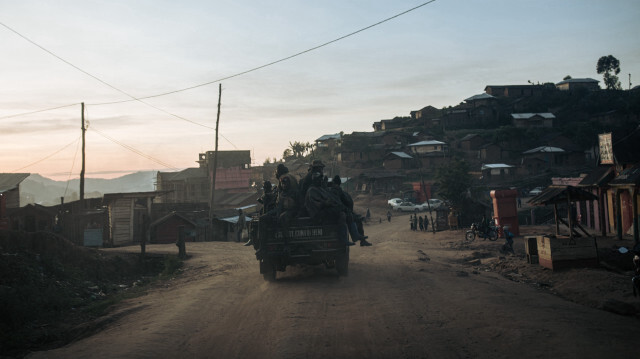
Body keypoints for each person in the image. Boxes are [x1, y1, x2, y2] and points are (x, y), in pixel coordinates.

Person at [304, 171, 353, 246]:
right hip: (317, 214)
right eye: (319, 179)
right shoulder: (312, 190)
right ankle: (343, 239)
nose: (321, 181)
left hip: (322, 211)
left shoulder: (319, 188)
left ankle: (350, 234)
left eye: (321, 179)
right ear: (315, 180)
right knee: (341, 214)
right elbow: (317, 204)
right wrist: (326, 203)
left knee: (341, 210)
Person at [331, 175, 371, 246]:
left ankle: (361, 240)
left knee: (357, 218)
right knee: (354, 218)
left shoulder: (337, 191)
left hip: (344, 210)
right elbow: (338, 203)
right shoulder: (334, 191)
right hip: (340, 212)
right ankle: (359, 238)